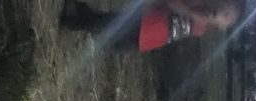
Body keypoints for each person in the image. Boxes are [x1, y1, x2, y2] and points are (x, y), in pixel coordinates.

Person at [61, 0, 239, 52]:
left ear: (221, 26)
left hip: (148, 39)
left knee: (114, 39)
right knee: (109, 24)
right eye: (224, 9)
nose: (220, 12)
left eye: (225, 17)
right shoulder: (197, 4)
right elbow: (172, 4)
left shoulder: (200, 29)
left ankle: (82, 15)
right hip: (144, 21)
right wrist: (194, 13)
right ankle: (74, 20)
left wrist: (199, 17)